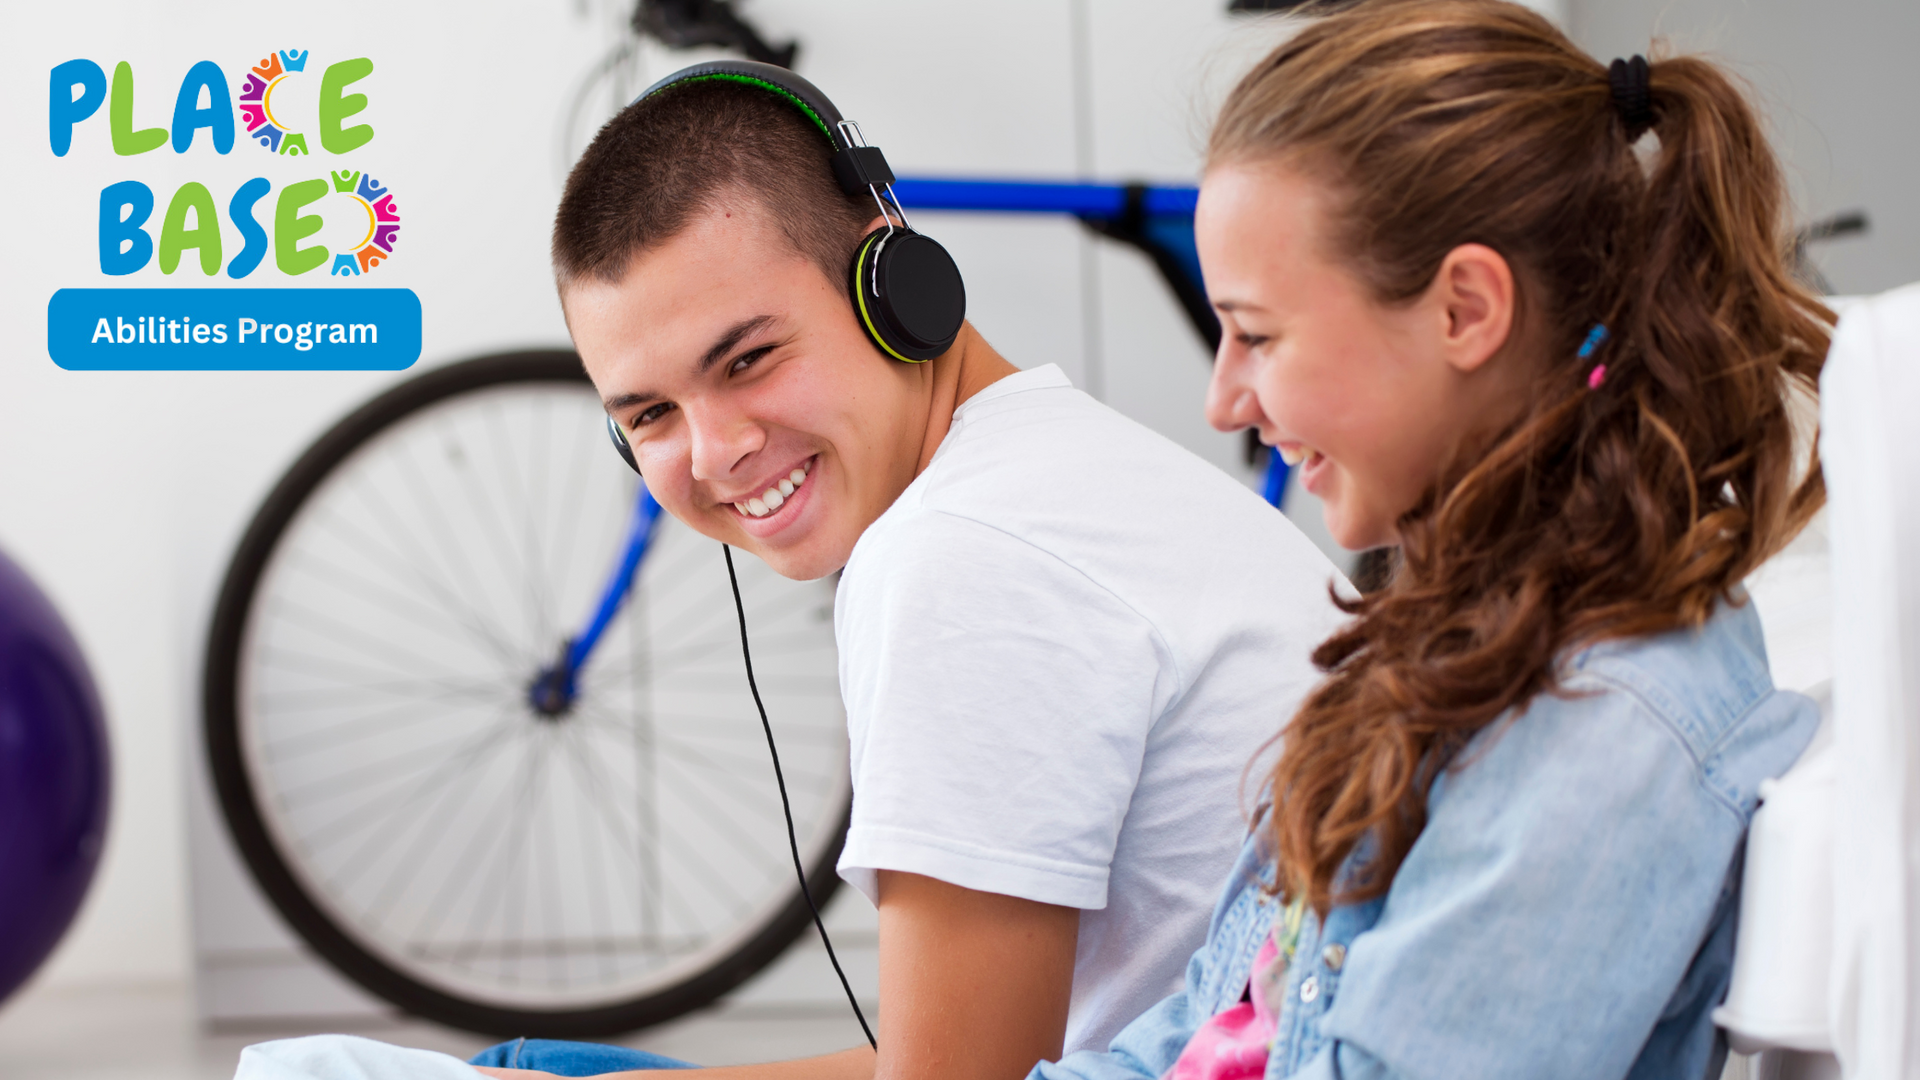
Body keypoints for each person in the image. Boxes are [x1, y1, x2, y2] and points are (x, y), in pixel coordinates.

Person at [233, 58, 1348, 1080]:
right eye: (652, 413)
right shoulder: (1050, 459)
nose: (716, 453)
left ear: (894, 287)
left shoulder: (959, 561)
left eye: (750, 358)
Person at [1020, 3, 1828, 1080]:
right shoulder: (1451, 647)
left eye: (1256, 334)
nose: (1223, 399)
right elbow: (1202, 1038)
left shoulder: (1608, 723)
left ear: (1463, 310)